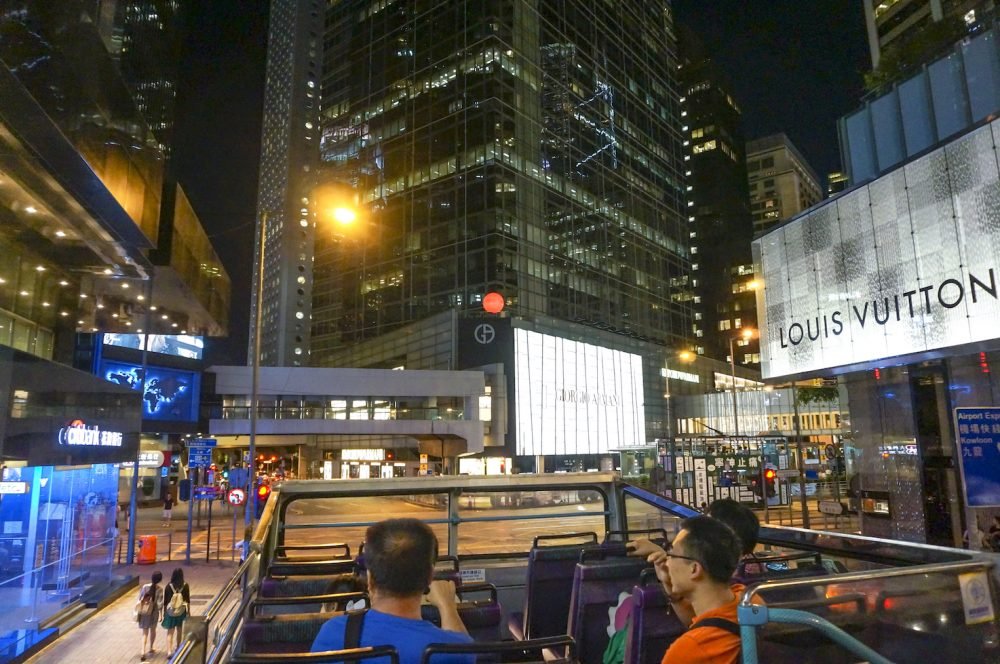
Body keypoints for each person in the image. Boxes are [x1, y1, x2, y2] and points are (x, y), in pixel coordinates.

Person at [311, 518, 473, 663]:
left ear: (370, 579)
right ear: (430, 576)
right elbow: (466, 651)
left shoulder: (333, 634)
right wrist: (447, 607)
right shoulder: (453, 650)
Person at [648, 516, 744, 664]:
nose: (667, 562)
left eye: (671, 554)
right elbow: (700, 621)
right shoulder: (749, 599)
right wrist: (668, 583)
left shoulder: (688, 651)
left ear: (694, 569)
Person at [136, 570, 164, 661]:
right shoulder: (159, 589)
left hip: (144, 612)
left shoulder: (145, 587)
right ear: (160, 580)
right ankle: (151, 648)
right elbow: (160, 604)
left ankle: (143, 651)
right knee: (153, 630)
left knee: (144, 632)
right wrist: (161, 615)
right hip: (154, 612)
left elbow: (140, 598)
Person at [162, 568, 191, 655]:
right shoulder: (185, 586)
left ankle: (169, 651)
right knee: (179, 630)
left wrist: (164, 612)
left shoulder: (168, 586)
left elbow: (165, 601)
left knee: (170, 632)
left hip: (170, 612)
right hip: (181, 611)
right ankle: (178, 647)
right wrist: (189, 612)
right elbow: (187, 600)